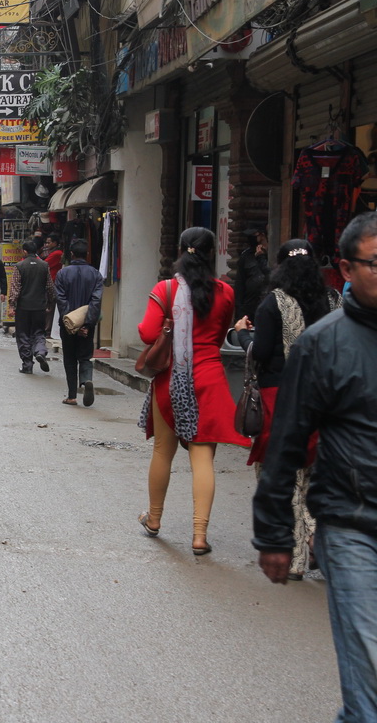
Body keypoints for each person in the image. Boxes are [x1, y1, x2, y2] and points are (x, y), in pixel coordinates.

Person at [253, 212, 377, 720]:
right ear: (344, 270)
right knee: (368, 674)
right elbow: (286, 442)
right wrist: (274, 534)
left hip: (276, 387)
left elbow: (260, 352)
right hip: (352, 524)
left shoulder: (273, 304)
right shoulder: (324, 339)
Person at [137, 227, 250, 555]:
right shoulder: (225, 292)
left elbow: (146, 334)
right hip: (211, 378)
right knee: (203, 458)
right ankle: (199, 535)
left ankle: (154, 519)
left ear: (180, 251)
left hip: (173, 378)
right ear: (212, 253)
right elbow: (218, 334)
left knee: (162, 452)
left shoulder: (167, 289)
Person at [235, 239, 341, 579]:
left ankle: (295, 558)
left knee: (284, 476)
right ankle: (317, 539)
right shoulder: (334, 301)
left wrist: (241, 336)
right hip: (326, 401)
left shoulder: (273, 304)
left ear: (280, 266)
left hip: (281, 398)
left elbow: (262, 351)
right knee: (315, 476)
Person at [54, 239, 102, 407]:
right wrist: (87, 324)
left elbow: (60, 299)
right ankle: (86, 379)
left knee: (69, 358)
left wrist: (71, 323)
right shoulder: (95, 274)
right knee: (85, 356)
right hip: (87, 326)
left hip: (68, 325)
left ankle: (72, 396)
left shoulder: (62, 274)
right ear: (86, 254)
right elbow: (96, 301)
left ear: (72, 254)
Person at [7, 239, 55, 373]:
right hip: (39, 307)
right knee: (39, 332)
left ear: (25, 251)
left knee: (23, 335)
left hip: (23, 307)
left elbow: (15, 288)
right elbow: (50, 287)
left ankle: (27, 364)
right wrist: (50, 302)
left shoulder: (20, 266)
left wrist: (12, 305)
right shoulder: (44, 265)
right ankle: (40, 351)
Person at [234, 227, 270, 321]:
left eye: (254, 235)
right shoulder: (246, 255)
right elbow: (240, 284)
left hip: (267, 305)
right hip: (249, 306)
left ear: (262, 235)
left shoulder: (272, 253)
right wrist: (239, 311)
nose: (250, 238)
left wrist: (261, 257)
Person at [42, 233, 65, 337]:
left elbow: (44, 265)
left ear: (55, 243)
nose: (46, 244)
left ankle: (47, 330)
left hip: (53, 283)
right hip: (51, 282)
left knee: (50, 307)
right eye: (46, 242)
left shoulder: (57, 253)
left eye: (49, 242)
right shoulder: (53, 253)